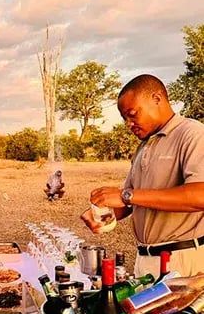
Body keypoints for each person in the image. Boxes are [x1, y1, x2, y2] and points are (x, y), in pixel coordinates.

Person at [81, 74, 204, 277]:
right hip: (145, 261)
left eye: (132, 114)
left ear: (157, 99)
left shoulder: (192, 135)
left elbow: (200, 195)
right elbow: (133, 201)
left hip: (182, 261)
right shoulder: (144, 146)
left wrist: (124, 195)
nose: (129, 124)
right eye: (125, 119)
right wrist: (106, 215)